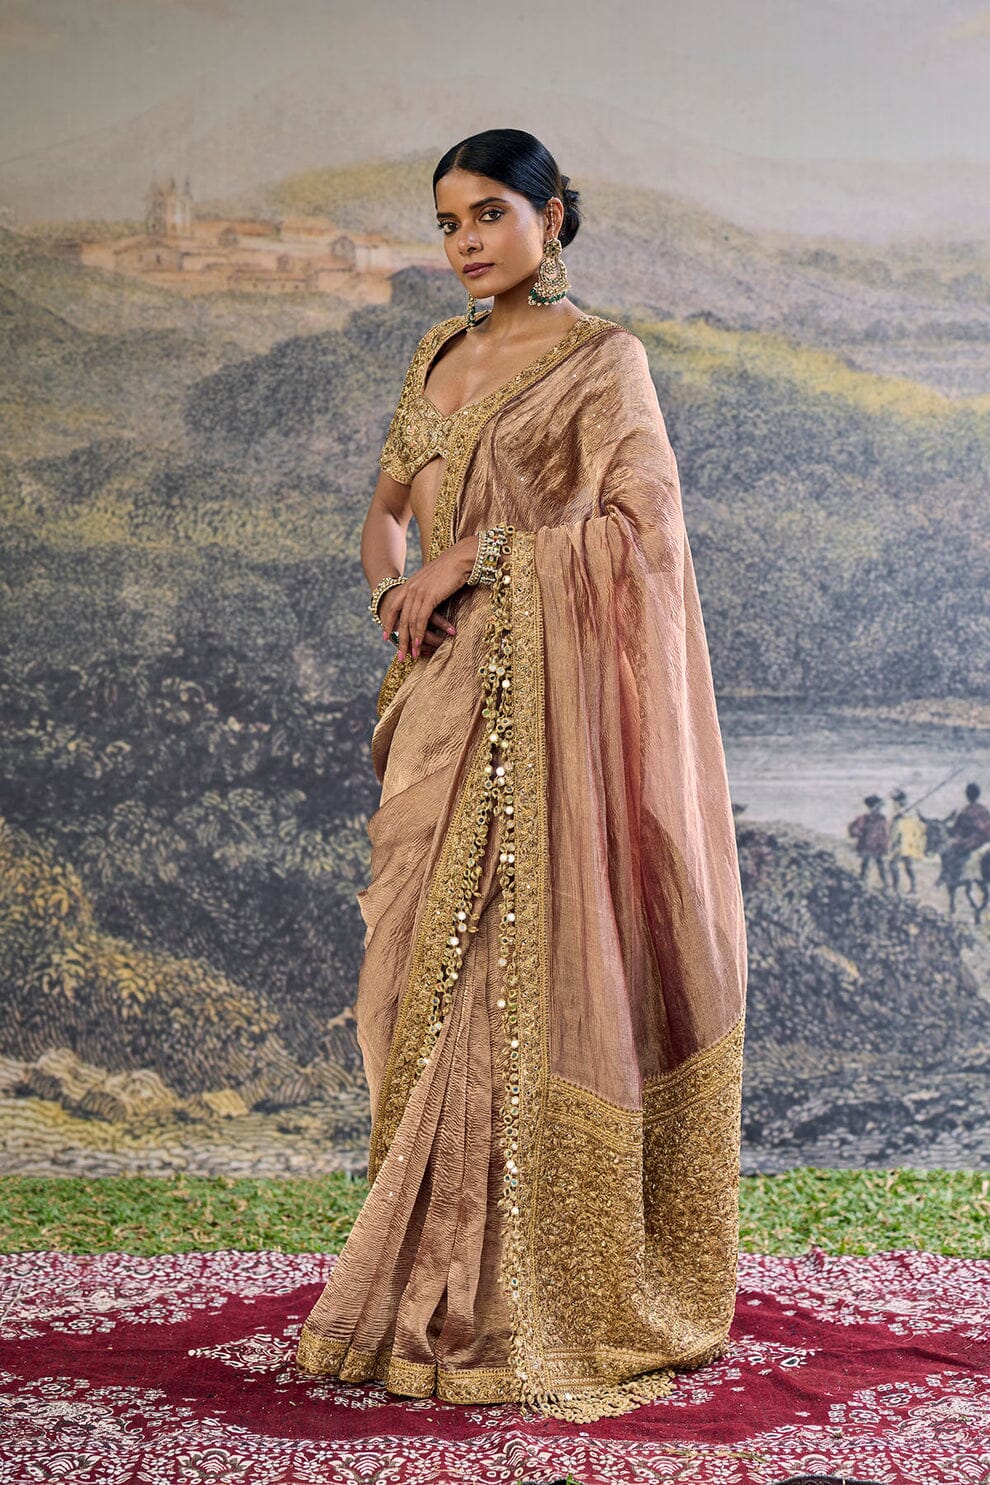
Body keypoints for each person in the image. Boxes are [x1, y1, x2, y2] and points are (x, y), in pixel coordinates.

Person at [294, 128, 748, 1423]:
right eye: (448, 222)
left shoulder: (604, 362)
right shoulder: (434, 356)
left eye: (489, 212)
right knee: (405, 990)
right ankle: (417, 1285)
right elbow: (384, 512)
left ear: (552, 215)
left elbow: (643, 533)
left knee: (510, 990)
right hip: (440, 704)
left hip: (549, 726)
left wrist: (479, 559)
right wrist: (395, 590)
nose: (465, 243)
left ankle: (520, 1299)